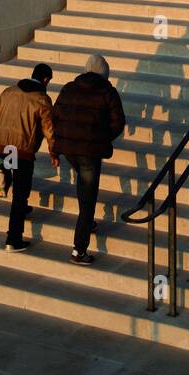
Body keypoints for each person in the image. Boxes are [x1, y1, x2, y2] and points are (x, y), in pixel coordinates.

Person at [52, 53, 125, 266]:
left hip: (68, 149)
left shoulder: (68, 88)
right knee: (88, 198)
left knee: (84, 185)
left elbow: (55, 116)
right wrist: (101, 139)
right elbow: (118, 122)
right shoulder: (107, 92)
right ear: (105, 74)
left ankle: (87, 222)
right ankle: (79, 250)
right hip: (90, 151)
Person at [0, 62, 56, 254]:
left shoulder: (8, 92)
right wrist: (54, 152)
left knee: (10, 180)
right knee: (20, 192)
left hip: (2, 147)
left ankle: (21, 207)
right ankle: (13, 239)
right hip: (22, 152)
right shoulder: (42, 99)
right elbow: (49, 130)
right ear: (46, 80)